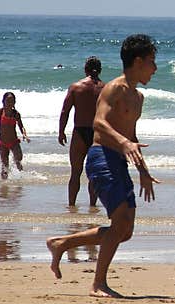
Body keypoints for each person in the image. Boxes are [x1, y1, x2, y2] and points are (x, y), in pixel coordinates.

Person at [47, 34, 160, 298]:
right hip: (101, 158)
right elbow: (98, 123)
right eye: (152, 62)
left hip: (118, 160)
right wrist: (123, 142)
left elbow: (131, 138)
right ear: (138, 61)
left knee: (126, 231)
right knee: (119, 224)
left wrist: (143, 171)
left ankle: (61, 243)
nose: (155, 68)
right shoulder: (114, 89)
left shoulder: (138, 97)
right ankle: (98, 283)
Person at [58, 56, 105, 207]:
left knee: (75, 173)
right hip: (98, 134)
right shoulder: (106, 89)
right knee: (95, 175)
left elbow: (65, 111)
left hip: (80, 133)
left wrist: (61, 132)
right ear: (100, 70)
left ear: (85, 69)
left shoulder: (76, 87)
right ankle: (92, 206)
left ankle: (71, 205)